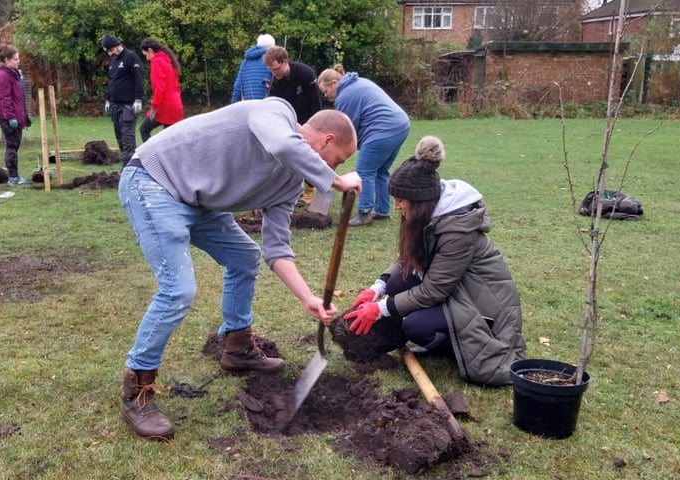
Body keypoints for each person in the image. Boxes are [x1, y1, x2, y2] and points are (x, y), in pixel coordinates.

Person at [118, 97, 361, 440]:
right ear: (326, 141)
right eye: (338, 160)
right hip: (153, 181)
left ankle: (237, 347)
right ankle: (137, 388)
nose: (335, 167)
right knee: (178, 290)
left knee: (244, 256)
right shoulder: (277, 111)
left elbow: (276, 249)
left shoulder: (289, 183)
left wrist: (308, 299)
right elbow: (280, 143)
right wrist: (335, 180)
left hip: (198, 202)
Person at [343, 136, 525, 386]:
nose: (396, 206)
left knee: (416, 326)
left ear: (419, 202)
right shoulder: (427, 218)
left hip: (483, 307)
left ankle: (450, 345)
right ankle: (445, 338)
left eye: (400, 200)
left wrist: (380, 309)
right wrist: (378, 287)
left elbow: (435, 289)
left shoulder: (457, 230)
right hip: (457, 291)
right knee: (397, 283)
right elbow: (406, 259)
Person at [318, 64, 410, 226]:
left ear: (334, 83)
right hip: (401, 125)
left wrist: (334, 155)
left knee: (364, 171)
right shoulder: (358, 82)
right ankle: (382, 209)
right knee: (380, 170)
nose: (327, 96)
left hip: (383, 129)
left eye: (326, 92)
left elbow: (347, 128)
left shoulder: (344, 95)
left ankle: (365, 212)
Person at [263, 45, 322, 206]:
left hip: (309, 121)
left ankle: (310, 189)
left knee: (308, 156)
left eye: (276, 69)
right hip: (289, 122)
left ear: (285, 62)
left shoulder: (305, 74)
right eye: (271, 70)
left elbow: (316, 103)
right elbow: (271, 105)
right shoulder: (276, 81)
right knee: (287, 157)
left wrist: (313, 128)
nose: (274, 74)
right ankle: (291, 191)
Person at [0, 46, 32, 185]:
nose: (18, 61)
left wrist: (26, 115)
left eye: (18, 58)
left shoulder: (15, 74)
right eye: (15, 59)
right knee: (12, 145)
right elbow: (5, 99)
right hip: (5, 115)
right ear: (7, 60)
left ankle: (14, 175)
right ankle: (13, 177)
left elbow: (20, 97)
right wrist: (10, 118)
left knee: (15, 145)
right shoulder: (2, 76)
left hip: (16, 113)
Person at [101, 34, 144, 166]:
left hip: (128, 106)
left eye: (110, 50)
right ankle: (128, 167)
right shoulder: (113, 62)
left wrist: (138, 99)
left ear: (116, 46)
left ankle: (129, 170)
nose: (109, 54)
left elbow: (139, 79)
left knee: (127, 139)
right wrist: (108, 99)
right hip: (115, 106)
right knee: (119, 138)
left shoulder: (131, 57)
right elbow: (112, 82)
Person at [138, 37, 184, 142]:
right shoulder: (169, 61)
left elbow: (160, 88)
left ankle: (152, 156)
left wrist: (154, 107)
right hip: (176, 104)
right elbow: (176, 86)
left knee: (144, 130)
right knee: (171, 139)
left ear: (150, 50)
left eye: (146, 55)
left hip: (165, 105)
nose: (147, 59)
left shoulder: (156, 62)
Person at [230, 33, 275, 103]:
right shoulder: (272, 60)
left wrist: (233, 104)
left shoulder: (245, 61)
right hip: (267, 103)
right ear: (272, 47)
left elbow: (238, 86)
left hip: (249, 104)